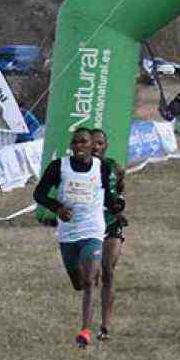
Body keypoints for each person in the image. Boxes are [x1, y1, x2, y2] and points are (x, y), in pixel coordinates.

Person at [32, 127, 123, 348]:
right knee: (79, 282)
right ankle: (87, 307)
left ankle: (85, 331)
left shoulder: (101, 167)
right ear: (72, 146)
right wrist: (58, 207)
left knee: (91, 279)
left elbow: (107, 196)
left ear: (93, 146)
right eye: (76, 143)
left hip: (92, 229)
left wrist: (118, 207)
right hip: (68, 233)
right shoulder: (58, 167)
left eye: (84, 142)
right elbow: (39, 193)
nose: (80, 146)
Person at [90, 129, 127, 341]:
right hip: (89, 226)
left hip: (111, 224)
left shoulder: (116, 168)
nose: (96, 146)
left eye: (100, 143)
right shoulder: (79, 168)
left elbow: (119, 192)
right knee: (89, 276)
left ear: (106, 146)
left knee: (108, 272)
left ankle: (105, 326)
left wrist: (119, 210)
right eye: (93, 143)